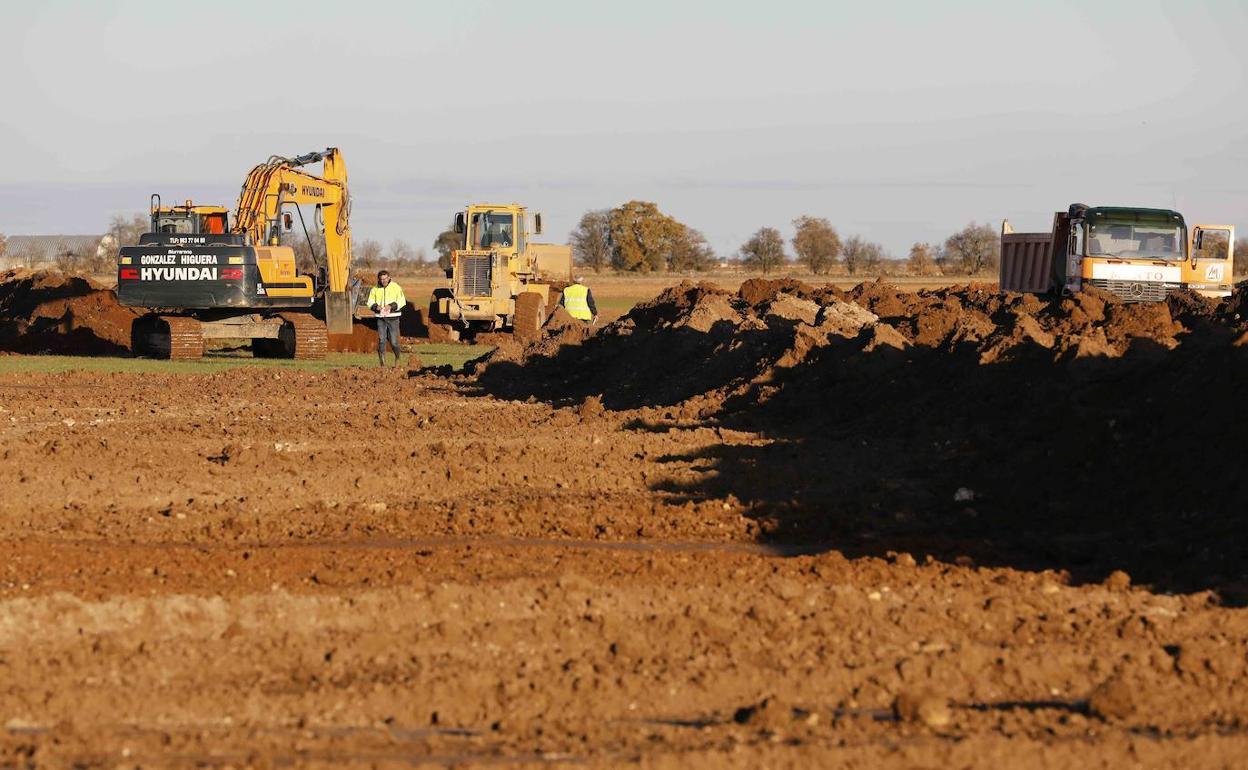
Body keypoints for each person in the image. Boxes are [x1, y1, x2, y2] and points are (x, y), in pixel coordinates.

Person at [366, 270, 406, 367]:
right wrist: (376, 307)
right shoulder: (374, 289)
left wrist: (391, 306)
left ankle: (397, 358)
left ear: (388, 278)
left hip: (393, 318)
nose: (383, 281)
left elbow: (402, 301)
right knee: (381, 340)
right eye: (381, 279)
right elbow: (369, 302)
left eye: (385, 279)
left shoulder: (396, 287)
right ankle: (382, 364)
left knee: (393, 341)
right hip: (381, 318)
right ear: (379, 279)